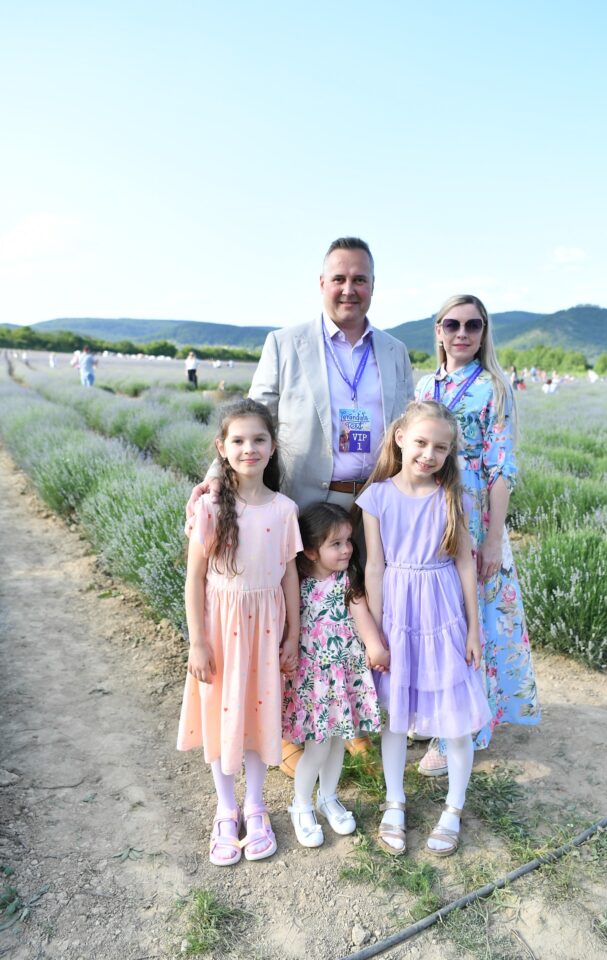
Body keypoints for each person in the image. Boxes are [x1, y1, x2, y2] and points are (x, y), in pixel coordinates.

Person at [188, 236, 414, 772]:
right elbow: (253, 417)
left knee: (359, 604)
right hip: (307, 502)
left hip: (370, 504)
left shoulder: (395, 351)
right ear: (321, 284)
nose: (349, 289)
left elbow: (405, 426)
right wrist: (214, 482)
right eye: (339, 278)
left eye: (360, 279)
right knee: (301, 614)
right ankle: (292, 728)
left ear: (373, 286)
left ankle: (350, 719)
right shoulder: (285, 343)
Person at [356, 400, 491, 856]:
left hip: (442, 610)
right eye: (420, 442)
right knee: (396, 715)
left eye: (440, 448)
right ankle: (395, 801)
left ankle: (454, 807)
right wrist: (376, 632)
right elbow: (375, 566)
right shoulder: (377, 497)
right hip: (398, 611)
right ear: (400, 438)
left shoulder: (452, 497)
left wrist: (473, 629)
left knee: (454, 714)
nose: (429, 454)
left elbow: (465, 565)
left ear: (450, 452)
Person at [414, 294, 540, 777]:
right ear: (439, 331)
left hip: (474, 517)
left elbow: (501, 468)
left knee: (471, 617)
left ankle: (461, 730)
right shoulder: (426, 385)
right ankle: (436, 711)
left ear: (484, 332)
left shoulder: (494, 388)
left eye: (473, 325)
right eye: (452, 324)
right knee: (434, 612)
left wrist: (492, 540)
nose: (462, 333)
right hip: (427, 512)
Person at [177, 399, 302, 865]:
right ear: (222, 448)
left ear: (273, 446)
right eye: (239, 440)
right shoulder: (210, 507)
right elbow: (194, 578)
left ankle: (256, 805)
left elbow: (289, 576)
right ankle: (226, 810)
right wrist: (198, 641)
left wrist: (292, 635)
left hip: (266, 630)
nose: (249, 448)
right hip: (221, 629)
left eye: (259, 439)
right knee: (222, 715)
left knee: (256, 713)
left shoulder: (284, 509)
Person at [282, 503, 389, 847]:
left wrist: (376, 647)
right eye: (336, 544)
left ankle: (328, 797)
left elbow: (362, 619)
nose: (346, 549)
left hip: (343, 681)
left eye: (348, 541)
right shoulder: (298, 587)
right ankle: (301, 804)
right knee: (317, 747)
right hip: (315, 683)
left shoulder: (347, 583)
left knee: (339, 744)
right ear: (312, 551)